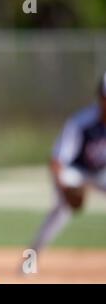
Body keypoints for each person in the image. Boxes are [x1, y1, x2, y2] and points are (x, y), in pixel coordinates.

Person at [30, 73, 106, 254]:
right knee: (60, 210)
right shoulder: (81, 122)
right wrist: (63, 189)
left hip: (102, 174)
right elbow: (57, 161)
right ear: (100, 97)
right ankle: (30, 259)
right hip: (76, 172)